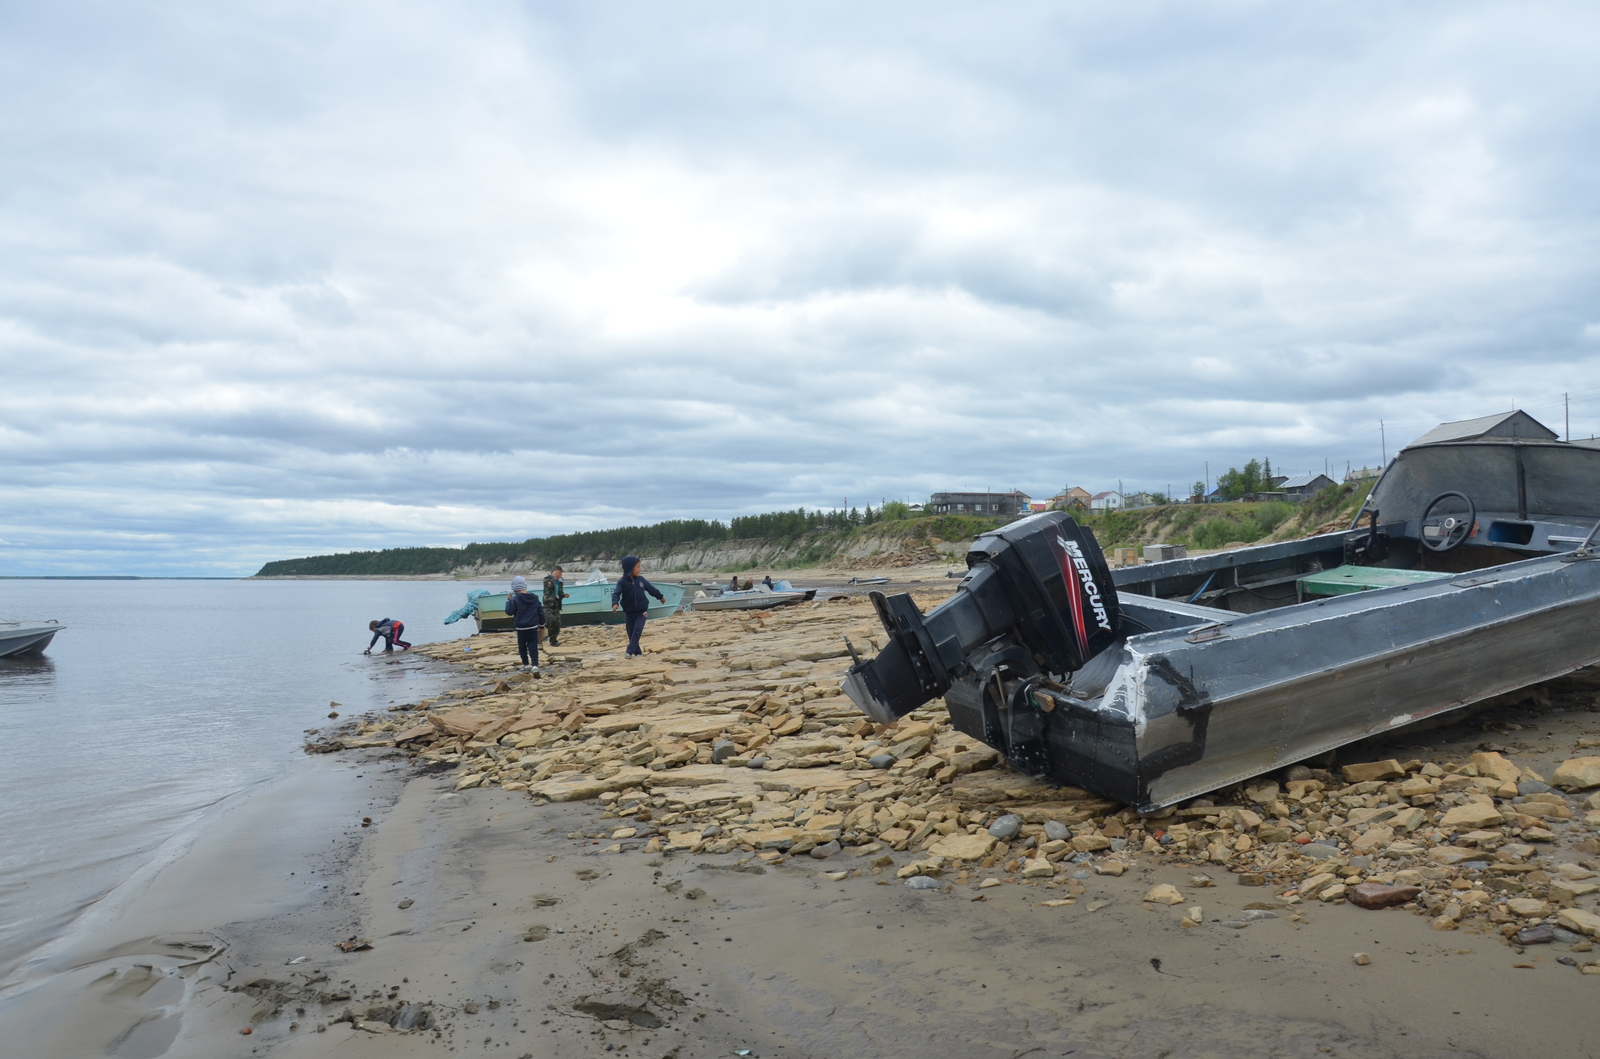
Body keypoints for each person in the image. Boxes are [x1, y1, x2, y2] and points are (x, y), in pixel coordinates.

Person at [610, 555, 666, 657]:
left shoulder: (641, 580)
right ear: (630, 568)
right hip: (629, 612)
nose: (640, 569)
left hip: (642, 611)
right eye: (638, 567)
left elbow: (651, 589)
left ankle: (629, 651)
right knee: (631, 633)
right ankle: (638, 652)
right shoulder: (622, 582)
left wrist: (660, 597)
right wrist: (615, 603)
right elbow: (616, 593)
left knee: (637, 630)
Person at [505, 575, 545, 674]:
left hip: (521, 628)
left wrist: (508, 601)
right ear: (525, 586)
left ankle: (526, 665)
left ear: (514, 588)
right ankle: (535, 665)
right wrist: (542, 624)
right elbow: (541, 612)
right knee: (533, 646)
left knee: (522, 646)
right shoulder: (535, 598)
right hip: (533, 626)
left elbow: (509, 611)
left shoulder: (514, 599)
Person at [542, 565, 568, 647]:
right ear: (551, 573)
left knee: (557, 623)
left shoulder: (560, 582)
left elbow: (559, 593)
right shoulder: (547, 580)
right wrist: (555, 578)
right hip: (548, 604)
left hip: (556, 605)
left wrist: (564, 595)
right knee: (549, 620)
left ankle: (553, 640)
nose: (558, 575)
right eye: (556, 573)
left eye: (560, 573)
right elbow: (550, 586)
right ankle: (541, 637)